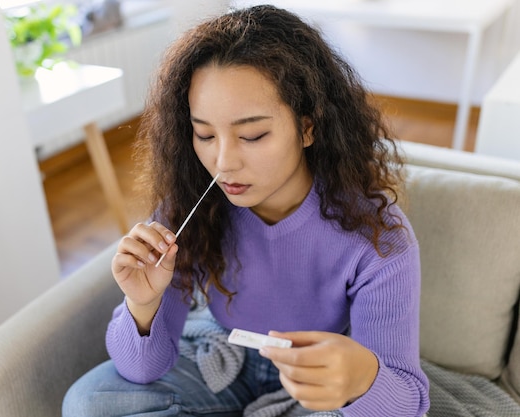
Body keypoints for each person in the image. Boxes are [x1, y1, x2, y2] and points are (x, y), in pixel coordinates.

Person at [62, 4, 430, 417]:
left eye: (252, 135)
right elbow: (141, 370)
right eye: (204, 134)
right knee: (87, 402)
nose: (223, 163)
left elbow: (406, 400)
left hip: (317, 383)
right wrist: (142, 305)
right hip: (223, 357)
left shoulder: (378, 236)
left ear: (308, 127)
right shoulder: (187, 210)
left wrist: (363, 378)